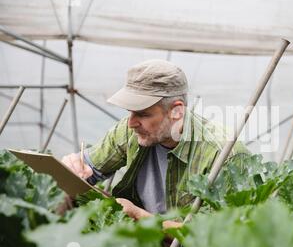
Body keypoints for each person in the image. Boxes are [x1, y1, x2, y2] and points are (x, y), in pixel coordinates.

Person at [61, 59, 249, 229]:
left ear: (176, 111)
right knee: (64, 192)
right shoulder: (129, 131)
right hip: (141, 241)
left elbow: (216, 234)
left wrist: (138, 215)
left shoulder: (223, 154)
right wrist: (74, 167)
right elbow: (89, 167)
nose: (131, 123)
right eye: (130, 112)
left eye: (143, 114)